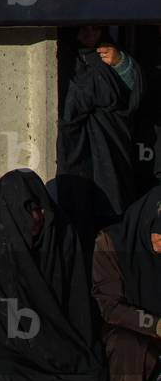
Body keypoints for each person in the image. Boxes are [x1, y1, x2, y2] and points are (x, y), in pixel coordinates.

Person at [0, 169, 108, 381]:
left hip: (55, 338)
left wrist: (65, 346)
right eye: (27, 209)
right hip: (6, 345)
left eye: (39, 207)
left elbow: (76, 304)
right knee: (2, 379)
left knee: (90, 375)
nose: (37, 217)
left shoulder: (59, 237)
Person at [57, 25, 144, 244]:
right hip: (78, 153)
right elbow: (71, 105)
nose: (90, 36)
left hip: (112, 148)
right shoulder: (65, 59)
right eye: (83, 30)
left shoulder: (111, 57)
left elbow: (131, 98)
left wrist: (122, 65)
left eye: (95, 30)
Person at [92, 185, 161, 381]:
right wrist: (155, 325)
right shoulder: (111, 243)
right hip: (126, 329)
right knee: (130, 347)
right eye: (158, 234)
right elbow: (110, 306)